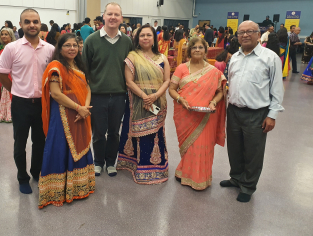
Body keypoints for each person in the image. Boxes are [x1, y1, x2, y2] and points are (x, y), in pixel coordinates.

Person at [222, 21, 284, 203]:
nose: (245, 35)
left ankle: (248, 186)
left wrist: (272, 115)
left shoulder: (270, 57)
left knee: (253, 151)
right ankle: (236, 178)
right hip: (233, 111)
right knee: (234, 149)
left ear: (259, 34)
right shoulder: (234, 57)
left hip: (257, 113)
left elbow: (277, 89)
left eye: (250, 31)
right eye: (241, 32)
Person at [0, 8, 55, 194]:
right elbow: (2, 75)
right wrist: (16, 91)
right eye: (27, 21)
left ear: (40, 24)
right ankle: (22, 177)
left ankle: (36, 173)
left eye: (35, 21)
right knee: (20, 142)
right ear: (20, 25)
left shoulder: (50, 49)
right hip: (21, 103)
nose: (32, 25)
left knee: (40, 141)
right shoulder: (12, 48)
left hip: (42, 104)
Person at [39, 33, 95, 208]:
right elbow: (55, 94)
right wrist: (79, 108)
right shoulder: (56, 66)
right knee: (60, 146)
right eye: (67, 45)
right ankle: (56, 190)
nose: (72, 49)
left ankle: (79, 186)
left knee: (80, 144)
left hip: (81, 113)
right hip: (63, 113)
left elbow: (87, 88)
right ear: (60, 48)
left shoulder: (79, 65)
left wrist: (85, 109)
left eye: (75, 45)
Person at [82, 2, 133, 177]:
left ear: (121, 18)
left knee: (114, 133)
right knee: (98, 132)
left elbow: (132, 68)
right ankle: (98, 162)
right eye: (109, 14)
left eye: (116, 15)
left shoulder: (127, 42)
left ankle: (111, 162)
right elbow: (84, 69)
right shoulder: (92, 40)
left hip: (119, 95)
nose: (112, 17)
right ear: (103, 16)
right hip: (97, 95)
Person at [169, 37, 226, 190]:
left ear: (205, 51)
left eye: (201, 47)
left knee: (202, 146)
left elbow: (220, 92)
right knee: (189, 146)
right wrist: (181, 99)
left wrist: (213, 102)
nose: (197, 50)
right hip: (185, 114)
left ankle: (200, 178)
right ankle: (184, 172)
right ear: (189, 51)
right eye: (194, 47)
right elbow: (171, 90)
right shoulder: (181, 68)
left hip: (207, 116)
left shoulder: (214, 71)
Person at [117, 24, 170, 184]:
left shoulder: (162, 58)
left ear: (154, 38)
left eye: (149, 35)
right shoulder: (132, 56)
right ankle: (134, 165)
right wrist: (144, 96)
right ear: (137, 38)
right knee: (135, 133)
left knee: (155, 133)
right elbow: (129, 81)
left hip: (157, 100)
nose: (145, 38)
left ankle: (156, 168)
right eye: (142, 35)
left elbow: (167, 80)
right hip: (137, 101)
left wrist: (154, 96)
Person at [0, 28, 15, 123]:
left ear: (11, 36)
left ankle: (11, 115)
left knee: (10, 93)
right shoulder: (1, 47)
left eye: (6, 34)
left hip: (11, 74)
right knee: (5, 92)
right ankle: (5, 113)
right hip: (3, 73)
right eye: (2, 34)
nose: (4, 36)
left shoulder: (13, 47)